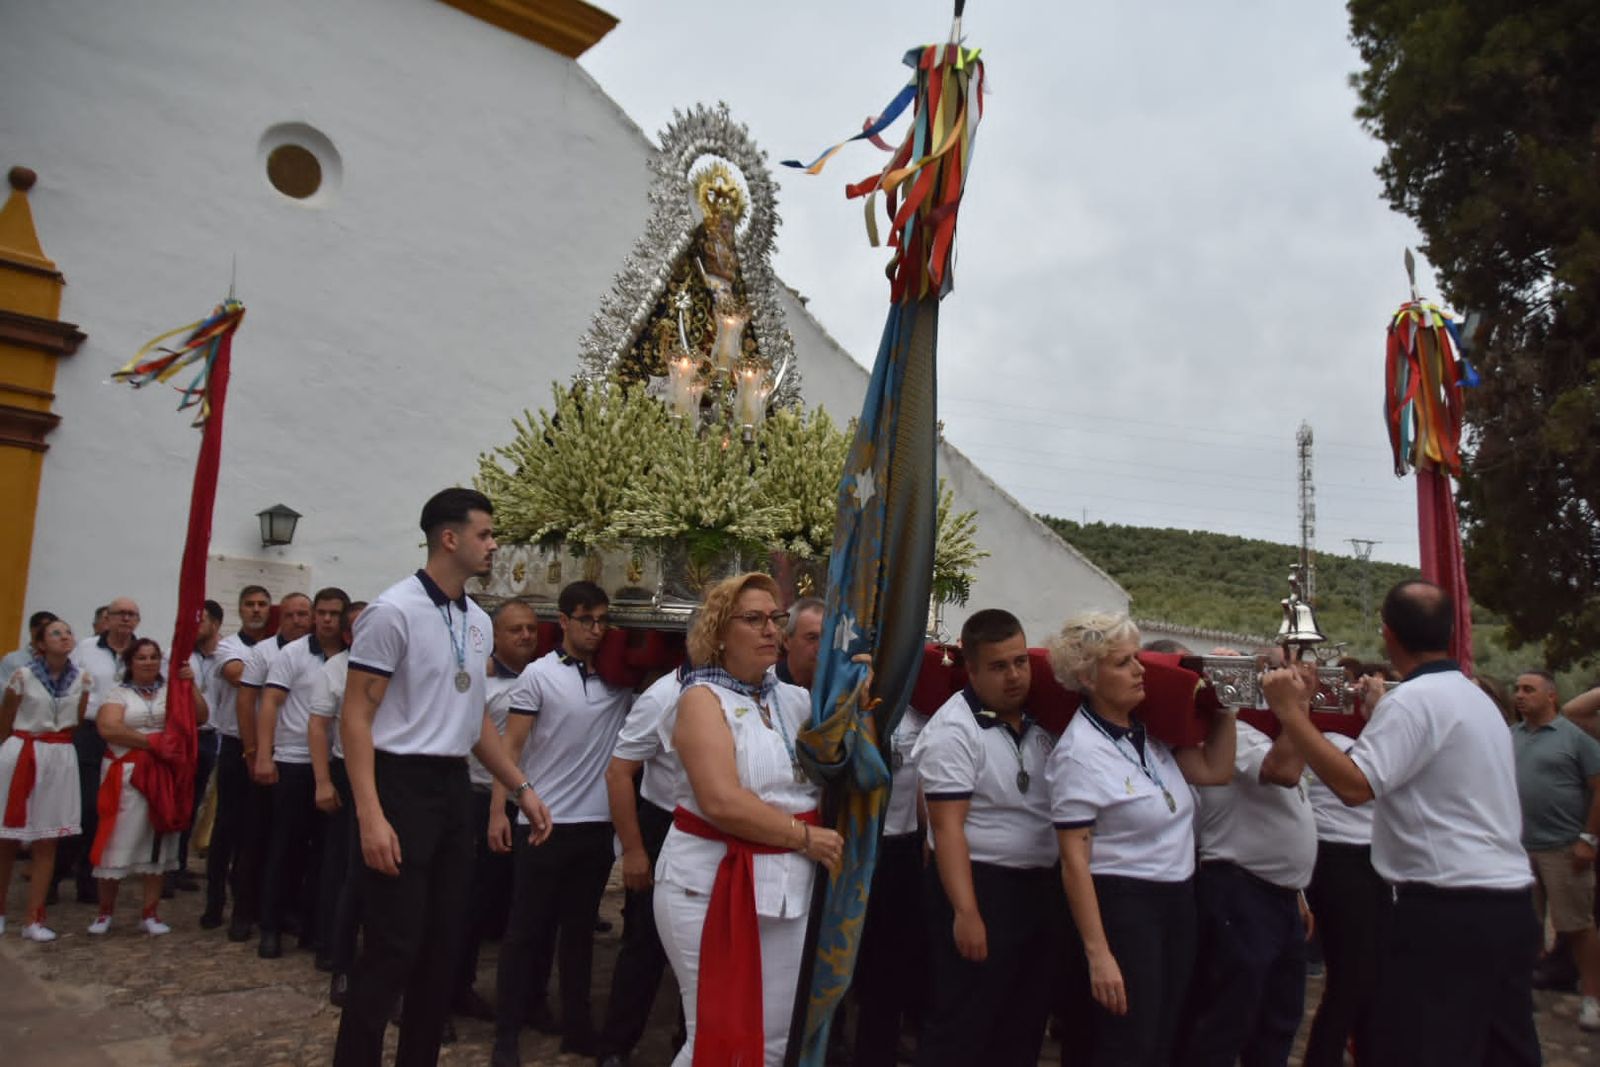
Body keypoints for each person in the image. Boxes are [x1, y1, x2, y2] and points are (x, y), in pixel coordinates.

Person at [1263, 579, 1540, 1067]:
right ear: (1450, 634)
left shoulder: (1413, 702)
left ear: (1388, 635)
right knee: (1504, 1048)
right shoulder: (1478, 701)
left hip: (1447, 907)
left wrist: (1292, 714)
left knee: (1418, 1046)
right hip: (1511, 903)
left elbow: (1354, 786)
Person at [332, 488, 553, 1067]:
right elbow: (356, 715)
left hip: (454, 789)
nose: (494, 544)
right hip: (399, 784)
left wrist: (521, 787)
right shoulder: (393, 611)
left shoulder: (477, 620)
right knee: (391, 949)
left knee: (442, 947)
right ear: (449, 538)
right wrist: (370, 813)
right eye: (485, 534)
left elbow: (473, 718)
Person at [653, 572, 843, 1067]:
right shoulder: (700, 700)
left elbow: (845, 757)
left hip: (786, 886)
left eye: (776, 619)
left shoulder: (796, 700)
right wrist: (806, 837)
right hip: (708, 884)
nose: (770, 631)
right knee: (716, 1036)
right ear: (718, 633)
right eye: (753, 619)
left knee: (775, 1041)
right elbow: (720, 801)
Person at [1045, 611, 1237, 1067]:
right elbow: (1074, 860)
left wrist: (1228, 707)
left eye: (1137, 658)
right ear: (1088, 677)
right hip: (1123, 903)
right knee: (1126, 1042)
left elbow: (1215, 771)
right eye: (1122, 663)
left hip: (1175, 899)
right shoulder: (1079, 753)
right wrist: (1099, 954)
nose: (1138, 670)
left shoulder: (1149, 732)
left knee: (1163, 1037)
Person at [911, 608, 1062, 1067]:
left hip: (1037, 890)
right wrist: (967, 911)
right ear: (971, 669)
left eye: (1020, 661)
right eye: (998, 666)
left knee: (1022, 1027)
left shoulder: (1043, 720)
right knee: (964, 1026)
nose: (1014, 676)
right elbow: (947, 827)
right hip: (979, 885)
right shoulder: (953, 730)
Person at [492, 581, 634, 1062]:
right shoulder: (537, 676)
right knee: (525, 930)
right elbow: (508, 749)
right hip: (543, 821)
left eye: (603, 621)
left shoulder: (620, 680)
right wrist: (501, 810)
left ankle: (578, 1026)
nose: (596, 629)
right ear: (566, 622)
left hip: (596, 825)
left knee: (579, 935)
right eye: (587, 620)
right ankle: (506, 1032)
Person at [1176, 661, 1318, 1067]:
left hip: (1279, 894)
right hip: (1242, 891)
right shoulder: (1233, 732)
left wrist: (1299, 892)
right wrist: (1300, 705)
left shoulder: (1271, 732)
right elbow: (1283, 772)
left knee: (1279, 1017)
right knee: (1229, 1017)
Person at [597, 658, 689, 1066]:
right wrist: (634, 851)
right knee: (645, 944)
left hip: (719, 827)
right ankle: (616, 1045)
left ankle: (691, 1043)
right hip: (665, 823)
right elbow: (619, 774)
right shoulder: (663, 697)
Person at [88, 638, 208, 936]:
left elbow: (201, 717)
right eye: (141, 657)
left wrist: (190, 685)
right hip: (127, 771)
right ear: (130, 662)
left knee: (157, 839)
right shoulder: (119, 693)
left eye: (154, 657)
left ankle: (150, 912)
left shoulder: (171, 692)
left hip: (162, 774)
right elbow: (109, 727)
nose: (148, 662)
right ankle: (105, 912)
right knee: (117, 839)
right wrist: (153, 742)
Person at [452, 598, 536, 1021]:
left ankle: (467, 988)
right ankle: (440, 995)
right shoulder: (478, 681)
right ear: (496, 637)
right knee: (460, 902)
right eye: (515, 630)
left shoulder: (540, 678)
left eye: (531, 630)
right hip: (480, 796)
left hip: (521, 801)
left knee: (494, 902)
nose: (525, 636)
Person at [256, 586, 351, 959]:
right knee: (284, 847)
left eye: (334, 613)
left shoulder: (349, 659)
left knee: (325, 854)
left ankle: (313, 927)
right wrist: (264, 754)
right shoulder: (292, 654)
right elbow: (270, 704)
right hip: (294, 759)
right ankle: (270, 926)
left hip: (334, 762)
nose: (327, 619)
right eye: (321, 612)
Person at [1301, 695, 1388, 1067]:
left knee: (1369, 979)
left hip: (1372, 859)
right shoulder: (1333, 741)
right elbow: (1361, 786)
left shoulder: (1377, 738)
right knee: (1350, 977)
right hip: (1339, 857)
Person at [1511, 669, 1600, 1028]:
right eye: (1517, 689)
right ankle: (1519, 995)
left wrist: (1588, 839)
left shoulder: (1574, 737)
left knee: (1577, 926)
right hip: (1518, 848)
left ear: (1551, 696)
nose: (1519, 695)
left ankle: (1592, 998)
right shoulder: (1509, 736)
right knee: (1523, 926)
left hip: (1564, 848)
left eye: (1528, 689)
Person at [0, 617, 89, 940]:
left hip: (58, 756)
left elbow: (76, 721)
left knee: (47, 838)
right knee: (7, 837)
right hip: (23, 751)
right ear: (40, 644)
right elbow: (7, 719)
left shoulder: (82, 679)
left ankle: (34, 918)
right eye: (56, 634)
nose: (64, 637)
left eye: (67, 632)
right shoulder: (22, 676)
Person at [853, 697, 930, 1066]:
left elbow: (924, 779)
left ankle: (875, 1052)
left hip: (901, 847)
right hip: (852, 845)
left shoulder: (921, 709)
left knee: (889, 967)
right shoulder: (845, 702)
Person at [202, 584, 272, 933]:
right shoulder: (229, 646)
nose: (256, 610)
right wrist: (280, 680)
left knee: (256, 830)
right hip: (233, 743)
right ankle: (213, 901)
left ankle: (246, 902)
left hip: (270, 743)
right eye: (250, 604)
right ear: (240, 609)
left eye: (262, 604)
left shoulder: (278, 647)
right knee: (226, 828)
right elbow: (236, 676)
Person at [65, 596, 139, 903]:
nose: (125, 619)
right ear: (106, 619)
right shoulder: (85, 648)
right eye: (119, 613)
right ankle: (58, 870)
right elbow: (70, 686)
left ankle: (90, 877)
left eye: (131, 614)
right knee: (83, 806)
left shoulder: (141, 651)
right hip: (89, 732)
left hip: (124, 736)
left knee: (110, 808)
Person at [310, 600, 366, 985]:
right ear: (348, 635)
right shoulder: (336, 668)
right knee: (345, 865)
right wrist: (323, 781)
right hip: (347, 771)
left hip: (389, 772)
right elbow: (318, 727)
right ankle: (335, 950)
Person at [175, 598, 224, 893]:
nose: (195, 626)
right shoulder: (179, 655)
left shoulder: (226, 654)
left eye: (201, 619)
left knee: (193, 804)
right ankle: (167, 865)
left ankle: (179, 863)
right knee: (176, 802)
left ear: (216, 624)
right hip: (183, 736)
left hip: (210, 737)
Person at [776, 596, 824, 689]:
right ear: (786, 641)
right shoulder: (765, 686)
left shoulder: (840, 687)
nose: (821, 647)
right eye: (812, 638)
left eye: (826, 639)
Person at [0, 610, 58, 679]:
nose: (49, 633)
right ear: (32, 629)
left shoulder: (63, 660)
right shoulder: (12, 659)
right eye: (44, 628)